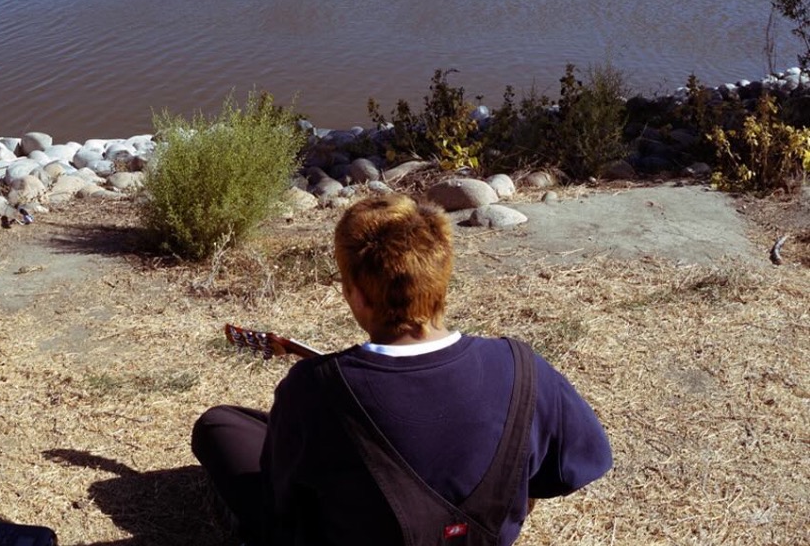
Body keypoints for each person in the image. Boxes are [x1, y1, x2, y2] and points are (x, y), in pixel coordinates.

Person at [192, 193, 612, 546]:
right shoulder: (522, 368)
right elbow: (583, 461)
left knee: (219, 425)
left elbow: (283, 503)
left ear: (356, 295)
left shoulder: (311, 388)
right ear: (442, 279)